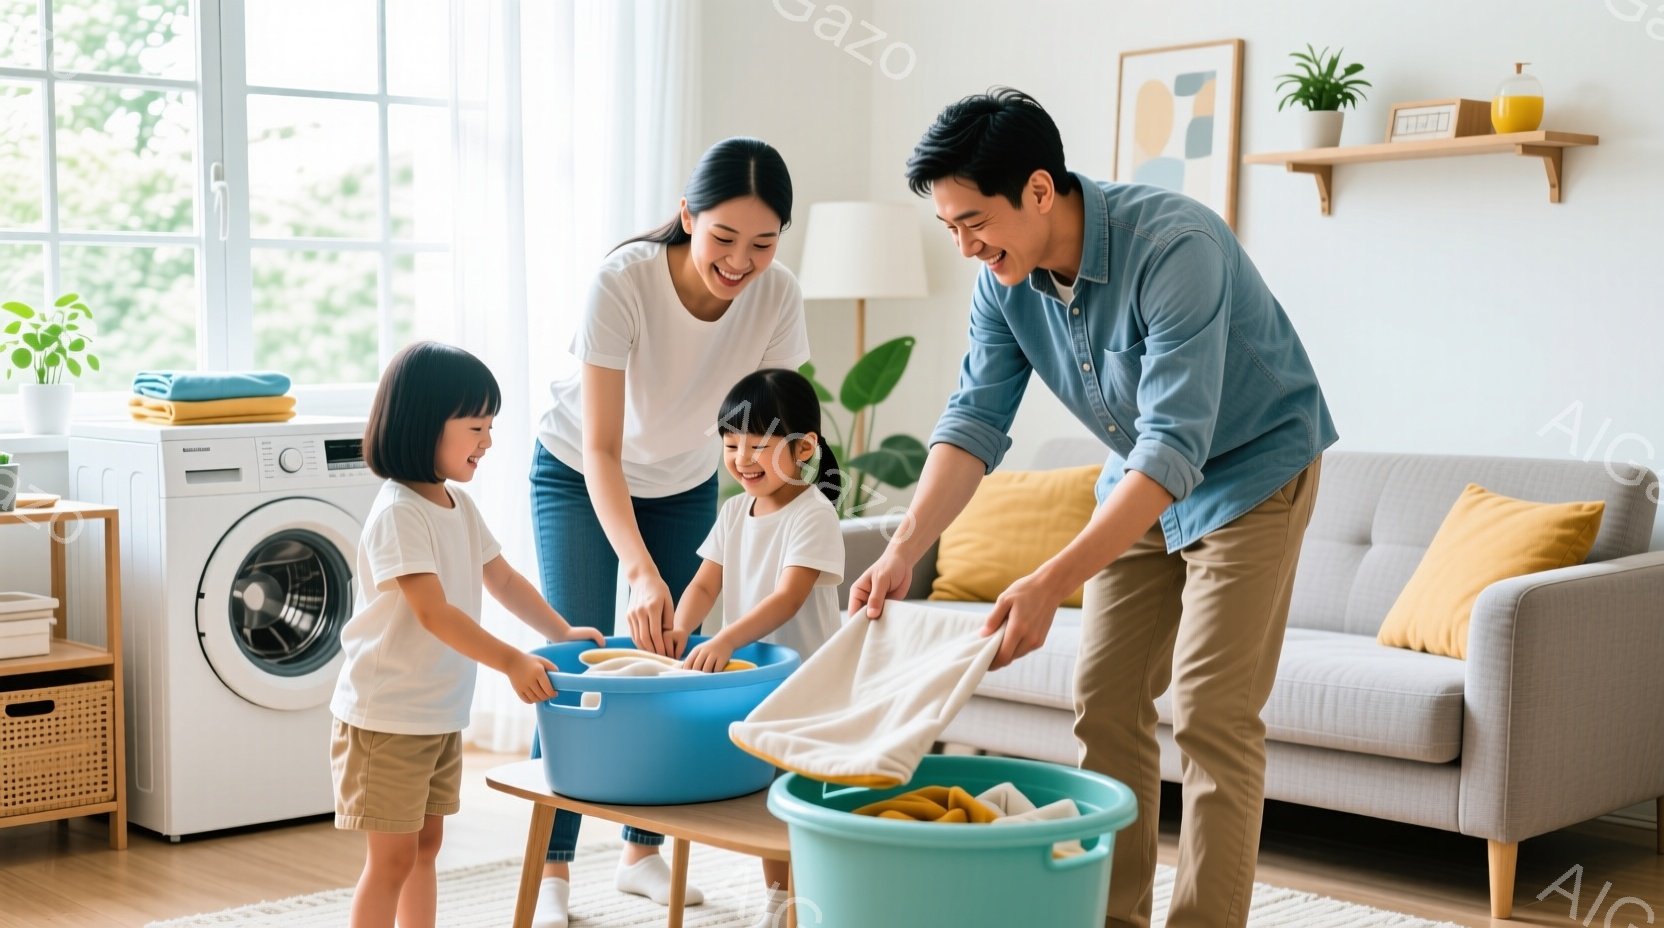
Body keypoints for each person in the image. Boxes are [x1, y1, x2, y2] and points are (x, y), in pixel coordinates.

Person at [847, 88, 1338, 928]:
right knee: (1105, 704)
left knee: (1215, 713)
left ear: (1039, 190)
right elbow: (973, 422)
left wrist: (1048, 580)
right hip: (1137, 482)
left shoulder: (1176, 246)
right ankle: (1113, 918)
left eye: (974, 222)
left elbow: (1172, 448)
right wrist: (902, 546)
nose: (965, 247)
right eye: (950, 228)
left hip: (1252, 472)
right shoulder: (1003, 281)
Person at [528, 137, 811, 927]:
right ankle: (552, 871)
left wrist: (788, 526)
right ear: (687, 217)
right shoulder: (623, 281)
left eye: (763, 243)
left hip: (685, 481)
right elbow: (601, 448)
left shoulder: (777, 296)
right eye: (724, 238)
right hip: (581, 474)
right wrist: (642, 569)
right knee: (575, 664)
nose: (740, 261)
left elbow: (779, 434)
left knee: (673, 663)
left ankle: (639, 854)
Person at [330, 341, 604, 928]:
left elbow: (501, 577)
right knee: (392, 858)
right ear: (424, 425)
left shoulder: (457, 504)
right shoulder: (399, 512)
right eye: (477, 426)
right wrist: (511, 661)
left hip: (434, 712)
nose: (488, 441)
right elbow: (434, 611)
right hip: (386, 718)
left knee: (426, 848)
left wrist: (559, 631)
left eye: (490, 426)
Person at [670, 368, 845, 928]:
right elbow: (704, 584)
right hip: (756, 681)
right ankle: (778, 904)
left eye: (759, 446)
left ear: (804, 447)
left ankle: (817, 902)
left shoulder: (813, 513)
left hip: (807, 688)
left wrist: (721, 638)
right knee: (769, 800)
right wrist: (682, 628)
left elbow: (787, 599)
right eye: (731, 444)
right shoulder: (733, 513)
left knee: (802, 800)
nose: (743, 458)